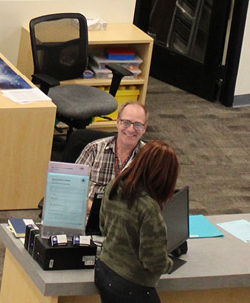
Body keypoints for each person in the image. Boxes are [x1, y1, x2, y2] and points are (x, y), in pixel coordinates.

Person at [95, 141, 179, 303]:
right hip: (131, 286)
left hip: (104, 270)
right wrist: (170, 264)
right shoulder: (148, 208)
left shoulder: (114, 185)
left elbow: (103, 227)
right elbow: (154, 262)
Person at [75, 101, 148, 206]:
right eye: (126, 122)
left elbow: (153, 199)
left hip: (127, 219)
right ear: (117, 122)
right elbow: (74, 190)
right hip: (90, 216)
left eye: (137, 125)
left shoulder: (149, 157)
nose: (131, 129)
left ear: (144, 128)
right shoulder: (94, 149)